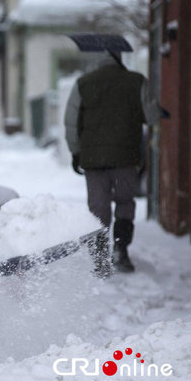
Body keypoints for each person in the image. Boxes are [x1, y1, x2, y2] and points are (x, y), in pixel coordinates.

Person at [64, 52, 160, 276]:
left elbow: (70, 122)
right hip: (125, 158)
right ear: (120, 60)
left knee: (98, 207)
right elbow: (152, 116)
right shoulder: (136, 81)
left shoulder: (83, 83)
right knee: (125, 202)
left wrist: (76, 152)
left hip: (93, 160)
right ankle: (121, 250)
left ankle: (99, 258)